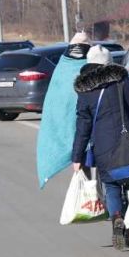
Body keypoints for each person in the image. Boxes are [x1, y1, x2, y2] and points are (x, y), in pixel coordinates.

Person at [71, 45, 129, 251]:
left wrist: (77, 156)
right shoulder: (125, 82)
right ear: (109, 62)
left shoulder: (86, 91)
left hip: (103, 147)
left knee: (112, 186)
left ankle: (116, 217)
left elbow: (83, 126)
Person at [37, 32, 92, 188]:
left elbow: (56, 100)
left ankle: (89, 197)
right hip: (95, 126)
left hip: (78, 128)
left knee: (81, 163)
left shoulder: (63, 66)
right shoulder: (92, 63)